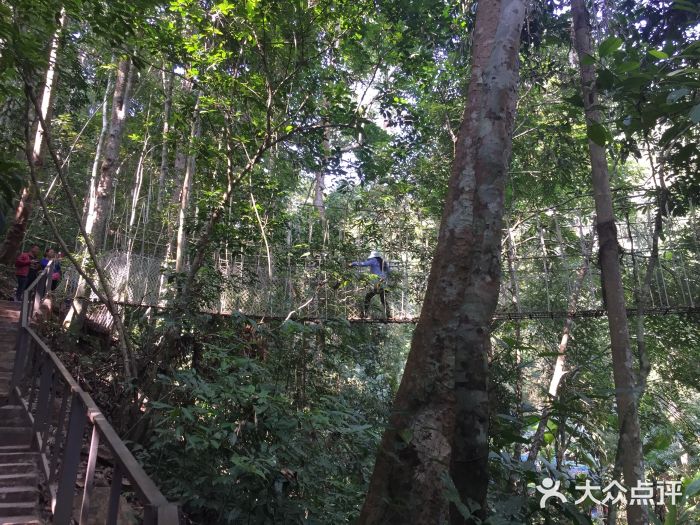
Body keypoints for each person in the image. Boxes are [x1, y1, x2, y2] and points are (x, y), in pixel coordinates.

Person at [349, 250, 391, 318]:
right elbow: (389, 271)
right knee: (383, 299)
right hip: (384, 284)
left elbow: (363, 264)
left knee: (368, 297)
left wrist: (353, 263)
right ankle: (388, 315)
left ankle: (364, 314)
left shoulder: (373, 260)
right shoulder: (384, 262)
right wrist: (384, 278)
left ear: (373, 257)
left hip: (377, 284)